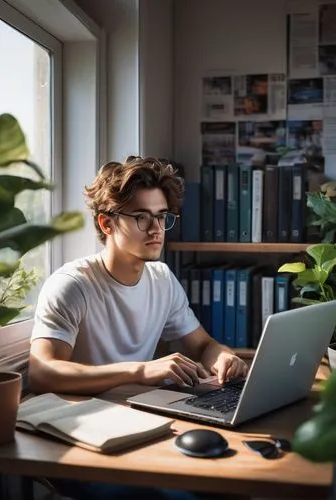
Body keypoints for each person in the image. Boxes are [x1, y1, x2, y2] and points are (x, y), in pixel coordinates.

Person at [28, 156, 248, 500]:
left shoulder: (162, 279)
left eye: (161, 216)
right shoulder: (73, 284)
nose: (156, 228)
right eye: (141, 217)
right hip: (83, 433)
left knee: (232, 482)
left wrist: (224, 357)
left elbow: (203, 344)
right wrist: (139, 370)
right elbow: (42, 372)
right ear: (106, 223)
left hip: (143, 420)